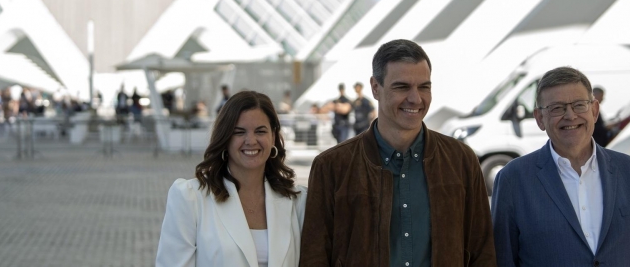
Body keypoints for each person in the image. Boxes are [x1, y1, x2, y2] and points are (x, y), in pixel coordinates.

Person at [300, 39, 495, 266]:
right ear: (375, 88)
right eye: (402, 87)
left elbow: (482, 252)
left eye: (424, 86)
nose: (416, 98)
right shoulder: (332, 166)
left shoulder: (461, 161)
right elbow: (314, 256)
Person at [491, 67, 630, 267]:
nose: (570, 115)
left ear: (594, 110)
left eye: (579, 105)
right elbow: (503, 260)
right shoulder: (513, 179)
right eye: (557, 108)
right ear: (539, 118)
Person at [157, 91, 306, 267]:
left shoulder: (298, 201)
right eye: (239, 132)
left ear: (273, 136)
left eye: (260, 131)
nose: (250, 140)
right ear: (225, 137)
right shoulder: (190, 198)